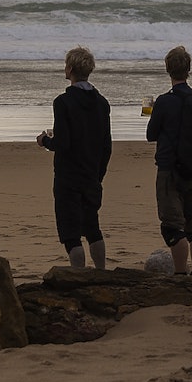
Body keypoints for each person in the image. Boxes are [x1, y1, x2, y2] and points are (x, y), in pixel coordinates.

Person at [36, 46, 112, 268]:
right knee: (92, 227)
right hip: (91, 174)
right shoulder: (102, 103)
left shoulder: (63, 102)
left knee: (70, 233)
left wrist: (45, 141)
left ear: (69, 68)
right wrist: (99, 174)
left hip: (68, 176)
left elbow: (63, 143)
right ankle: (101, 271)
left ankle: (77, 277)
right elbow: (106, 145)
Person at [145, 45, 192, 276]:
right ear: (188, 70)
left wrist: (151, 111)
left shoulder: (163, 101)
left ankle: (180, 276)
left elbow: (151, 134)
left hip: (169, 169)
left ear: (168, 70)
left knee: (172, 227)